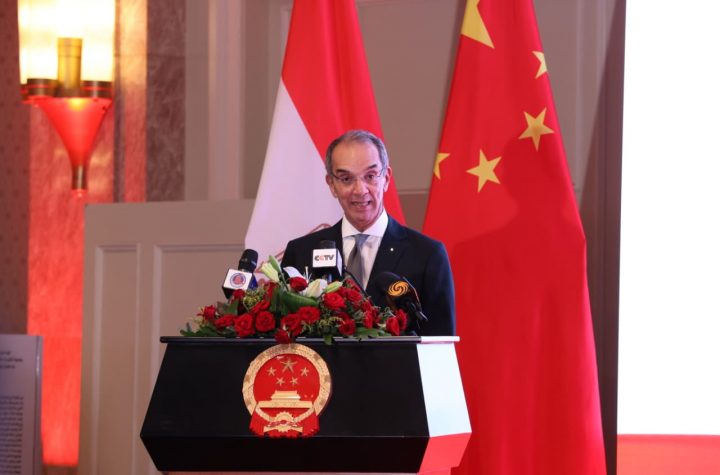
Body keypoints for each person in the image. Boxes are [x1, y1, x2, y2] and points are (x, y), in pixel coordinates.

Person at [281, 129, 455, 336]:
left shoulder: (427, 255)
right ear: (332, 185)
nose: (360, 190)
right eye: (346, 179)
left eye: (370, 176)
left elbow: (440, 343)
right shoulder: (301, 252)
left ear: (386, 178)